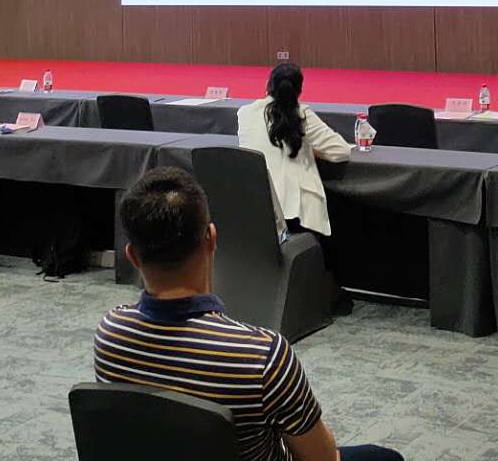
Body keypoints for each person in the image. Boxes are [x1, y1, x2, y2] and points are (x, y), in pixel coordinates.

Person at [95, 167, 402, 461]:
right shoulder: (262, 356)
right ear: (212, 238)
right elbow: (323, 459)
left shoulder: (109, 334)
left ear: (132, 255)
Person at [235, 63, 350, 236]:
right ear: (299, 91)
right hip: (296, 215)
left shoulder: (244, 113)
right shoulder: (301, 114)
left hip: (255, 208)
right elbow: (341, 151)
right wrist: (312, 149)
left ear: (268, 85)